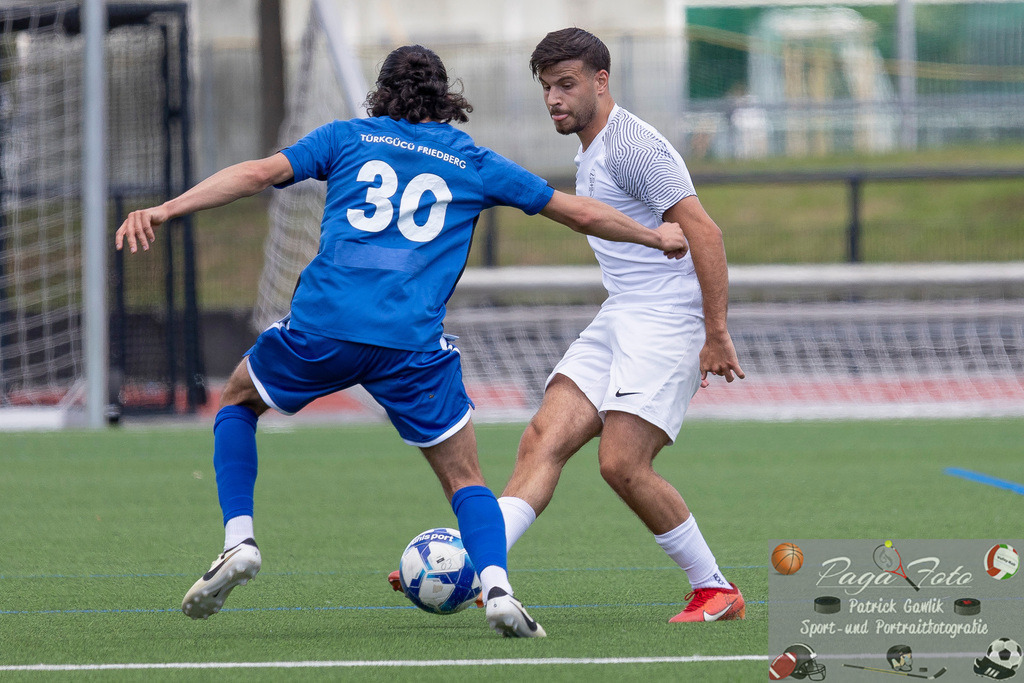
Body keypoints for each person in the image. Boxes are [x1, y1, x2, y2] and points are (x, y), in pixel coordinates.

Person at [115, 44, 688, 639]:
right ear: (446, 98)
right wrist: (656, 236)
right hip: (410, 345)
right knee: (466, 480)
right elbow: (579, 213)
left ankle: (239, 539)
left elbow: (257, 174)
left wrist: (166, 209)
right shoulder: (472, 160)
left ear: (381, 93)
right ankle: (497, 589)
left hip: (324, 325)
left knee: (237, 401)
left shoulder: (346, 138)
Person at [484, 28, 747, 623]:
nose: (554, 99)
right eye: (547, 87)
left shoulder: (633, 147)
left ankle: (716, 590)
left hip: (667, 319)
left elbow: (705, 234)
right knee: (542, 439)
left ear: (601, 82)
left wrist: (716, 333)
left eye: (567, 85)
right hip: (622, 311)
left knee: (621, 464)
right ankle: (476, 562)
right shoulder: (593, 147)